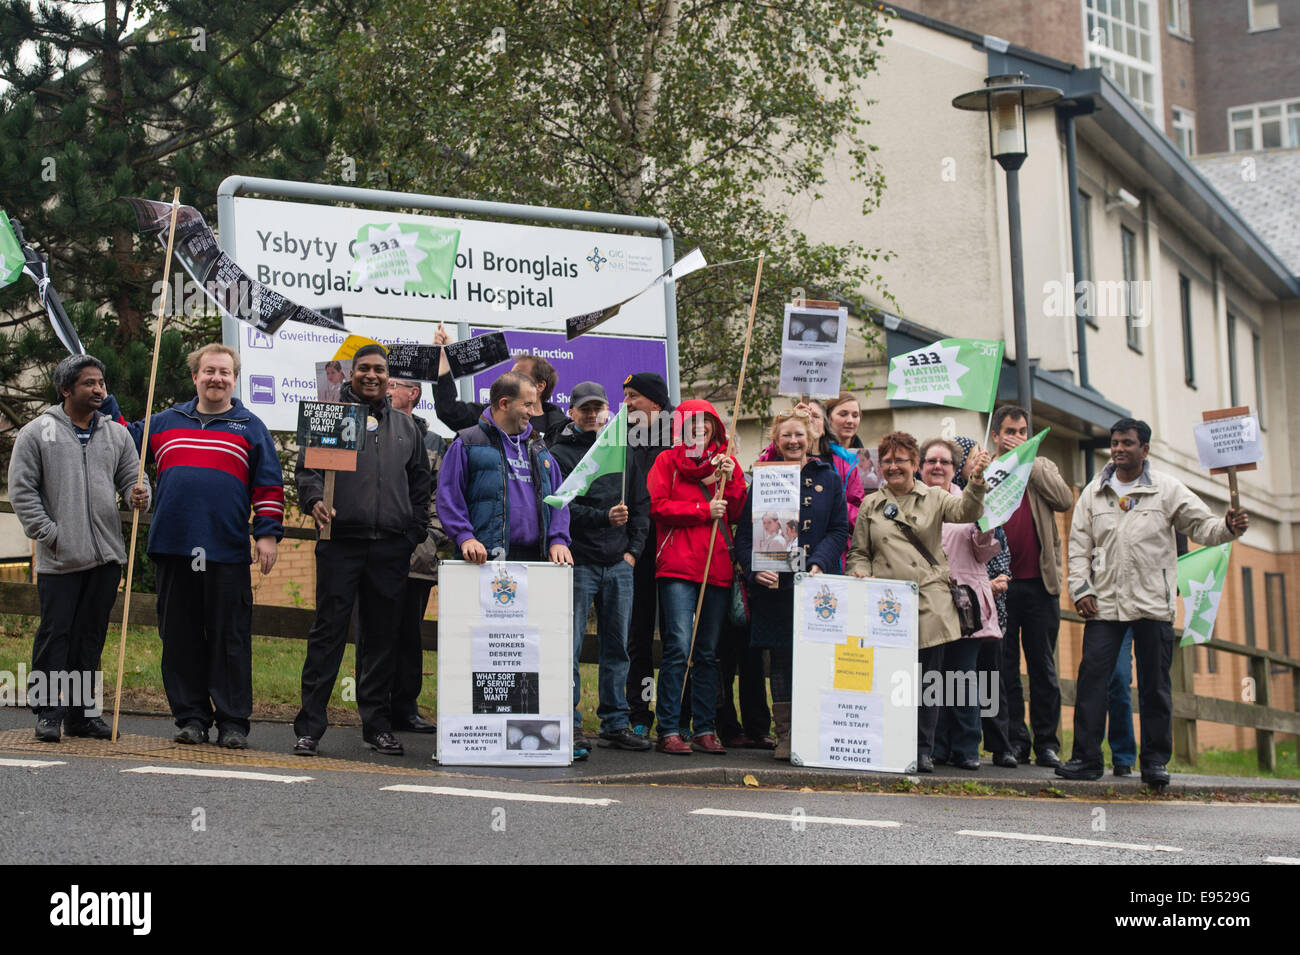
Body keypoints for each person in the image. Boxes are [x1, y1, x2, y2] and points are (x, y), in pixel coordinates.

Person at [102, 344, 283, 749]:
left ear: (234, 379)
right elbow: (122, 439)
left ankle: (233, 722)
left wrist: (267, 533)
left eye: (224, 372)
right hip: (174, 546)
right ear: (195, 377)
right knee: (180, 637)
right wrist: (107, 400)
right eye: (209, 371)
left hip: (226, 551)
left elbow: (269, 485)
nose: (216, 378)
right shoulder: (166, 421)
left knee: (229, 638)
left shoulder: (251, 427)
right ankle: (191, 719)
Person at [1058, 417, 1248, 786]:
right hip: (1105, 606)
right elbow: (1078, 546)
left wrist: (1228, 527)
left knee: (1155, 686)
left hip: (1153, 605)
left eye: (1127, 443)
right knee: (1093, 679)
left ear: (1144, 450)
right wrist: (1081, 590)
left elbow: (1204, 527)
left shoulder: (1168, 489)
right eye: (1115, 442)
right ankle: (1086, 759)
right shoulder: (1093, 492)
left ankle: (1155, 763)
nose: (1119, 449)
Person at [294, 344, 431, 757]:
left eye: (380, 370)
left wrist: (413, 533)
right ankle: (310, 728)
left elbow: (421, 485)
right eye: (364, 369)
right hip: (340, 544)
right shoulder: (333, 416)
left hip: (390, 549)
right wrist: (314, 498)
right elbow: (309, 472)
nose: (372, 375)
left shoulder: (407, 429)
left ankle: (377, 727)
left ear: (389, 378)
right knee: (328, 634)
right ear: (351, 373)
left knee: (381, 639)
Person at [9, 355, 149, 742]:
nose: (99, 389)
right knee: (56, 636)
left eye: (101, 383)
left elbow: (133, 478)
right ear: (66, 389)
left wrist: (139, 494)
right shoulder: (37, 433)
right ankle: (47, 714)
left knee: (90, 638)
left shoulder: (117, 434)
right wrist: (49, 533)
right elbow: (22, 490)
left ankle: (82, 716)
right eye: (89, 383)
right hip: (60, 558)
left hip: (106, 557)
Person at [846, 431, 990, 772]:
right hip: (886, 607)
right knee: (888, 681)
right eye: (887, 461)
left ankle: (922, 749)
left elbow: (968, 509)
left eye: (901, 460)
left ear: (914, 464)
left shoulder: (936, 497)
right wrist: (859, 573)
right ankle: (888, 744)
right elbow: (859, 552)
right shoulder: (871, 504)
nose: (893, 466)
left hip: (929, 601)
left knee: (925, 683)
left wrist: (978, 480)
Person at [734, 409, 849, 759]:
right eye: (786, 436)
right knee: (781, 662)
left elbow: (839, 529)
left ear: (810, 436)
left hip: (816, 586)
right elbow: (743, 537)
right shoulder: (765, 478)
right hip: (775, 588)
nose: (794, 441)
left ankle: (817, 733)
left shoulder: (828, 477)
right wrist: (755, 570)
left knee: (818, 660)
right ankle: (785, 736)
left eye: (799, 435)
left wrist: (818, 563)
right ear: (776, 440)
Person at [549, 381, 650, 757]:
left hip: (619, 564)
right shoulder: (557, 453)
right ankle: (569, 726)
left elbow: (641, 505)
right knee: (569, 648)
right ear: (572, 412)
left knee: (618, 650)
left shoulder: (622, 450)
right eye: (584, 409)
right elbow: (560, 506)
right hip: (577, 563)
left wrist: (634, 552)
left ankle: (615, 723)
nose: (592, 415)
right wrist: (602, 518)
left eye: (598, 409)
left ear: (607, 411)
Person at [647, 399, 746, 754]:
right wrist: (703, 509)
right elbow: (658, 507)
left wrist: (731, 478)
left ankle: (705, 729)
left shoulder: (725, 464)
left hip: (715, 566)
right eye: (692, 422)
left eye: (705, 422)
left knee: (707, 652)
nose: (699, 428)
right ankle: (669, 728)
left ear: (715, 427)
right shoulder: (666, 462)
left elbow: (736, 511)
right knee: (677, 648)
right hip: (676, 566)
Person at [990, 405, 1074, 768]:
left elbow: (1064, 500)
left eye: (1023, 431)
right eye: (1010, 431)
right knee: (1005, 668)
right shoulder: (987, 469)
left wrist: (1030, 458)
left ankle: (1047, 743)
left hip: (1040, 585)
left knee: (1042, 667)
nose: (1017, 438)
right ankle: (1014, 741)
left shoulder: (1041, 467)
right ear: (995, 435)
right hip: (1000, 587)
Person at [921, 438, 1002, 771]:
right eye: (931, 461)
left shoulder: (969, 501)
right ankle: (936, 748)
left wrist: (985, 525)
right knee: (931, 679)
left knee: (963, 677)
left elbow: (985, 553)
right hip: (927, 604)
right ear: (920, 466)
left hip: (964, 602)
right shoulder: (912, 502)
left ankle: (968, 748)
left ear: (955, 469)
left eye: (945, 462)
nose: (937, 466)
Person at [437, 370, 573, 565]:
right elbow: (449, 496)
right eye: (527, 405)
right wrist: (465, 537)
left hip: (536, 561)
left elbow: (560, 499)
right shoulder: (467, 443)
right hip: (482, 561)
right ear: (504, 404)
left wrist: (558, 540)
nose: (533, 412)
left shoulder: (539, 448)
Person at [383, 376, 450, 734]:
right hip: (376, 554)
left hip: (417, 558)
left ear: (414, 393)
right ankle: (374, 707)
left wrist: (428, 539)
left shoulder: (435, 442)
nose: (389, 388)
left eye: (396, 383)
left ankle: (405, 708)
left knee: (409, 635)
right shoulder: (369, 429)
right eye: (386, 382)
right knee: (376, 633)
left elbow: (442, 496)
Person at [951, 435, 1016, 767]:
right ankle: (960, 743)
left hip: (991, 605)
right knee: (960, 677)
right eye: (973, 458)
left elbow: (998, 541)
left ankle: (1000, 743)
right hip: (963, 600)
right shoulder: (950, 500)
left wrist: (999, 578)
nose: (980, 463)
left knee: (991, 679)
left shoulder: (989, 497)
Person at [622, 371, 674, 738]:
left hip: (675, 548)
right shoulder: (620, 438)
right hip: (637, 549)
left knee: (676, 636)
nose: (626, 404)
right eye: (624, 397)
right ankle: (640, 710)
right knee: (637, 633)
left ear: (655, 403)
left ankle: (676, 718)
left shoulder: (683, 437)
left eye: (633, 397)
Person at [431, 324, 567, 443]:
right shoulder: (491, 414)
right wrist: (444, 362)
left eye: (519, 375)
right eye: (511, 374)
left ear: (540, 386)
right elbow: (449, 411)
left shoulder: (562, 430)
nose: (511, 379)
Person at [1106, 628, 1137, 776]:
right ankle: (1123, 757)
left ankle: (1155, 761)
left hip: (1150, 611)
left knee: (1155, 683)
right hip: (1117, 616)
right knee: (1119, 677)